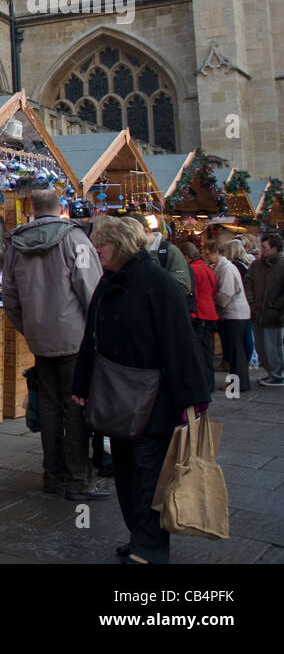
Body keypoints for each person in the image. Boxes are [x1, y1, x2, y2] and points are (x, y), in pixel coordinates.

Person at [72, 216, 210, 564]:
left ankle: (149, 548)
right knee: (126, 472)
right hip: (117, 397)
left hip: (155, 399)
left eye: (101, 244)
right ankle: (138, 537)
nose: (96, 249)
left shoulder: (159, 284)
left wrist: (192, 398)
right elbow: (91, 337)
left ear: (120, 244)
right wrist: (81, 383)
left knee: (150, 473)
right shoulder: (108, 282)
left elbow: (179, 343)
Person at [2, 189, 107, 500]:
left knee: (47, 406)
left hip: (39, 337)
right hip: (75, 338)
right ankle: (78, 481)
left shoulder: (15, 243)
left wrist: (28, 328)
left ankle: (53, 475)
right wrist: (96, 331)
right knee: (76, 406)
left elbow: (9, 295)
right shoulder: (74, 238)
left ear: (31, 208)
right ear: (62, 207)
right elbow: (91, 288)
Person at [207, 240, 251, 393]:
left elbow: (226, 293)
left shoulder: (226, 268)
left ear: (217, 253)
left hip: (234, 314)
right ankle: (239, 384)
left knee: (236, 349)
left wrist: (214, 303)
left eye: (209, 254)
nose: (208, 258)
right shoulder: (223, 268)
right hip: (233, 313)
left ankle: (236, 385)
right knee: (236, 350)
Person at [125, 213, 193, 308]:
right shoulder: (127, 252)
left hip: (163, 313)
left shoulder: (168, 250)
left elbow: (183, 287)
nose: (128, 240)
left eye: (132, 235)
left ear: (146, 231)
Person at [180, 241, 219, 394]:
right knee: (207, 351)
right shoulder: (207, 269)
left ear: (186, 256)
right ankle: (209, 383)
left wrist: (191, 313)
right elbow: (213, 287)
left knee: (200, 351)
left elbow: (192, 294)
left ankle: (203, 384)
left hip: (200, 313)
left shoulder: (193, 269)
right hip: (210, 312)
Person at [245, 233, 284, 386]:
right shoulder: (256, 265)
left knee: (273, 346)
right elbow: (248, 283)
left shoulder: (281, 265)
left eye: (265, 247)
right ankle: (271, 373)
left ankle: (277, 374)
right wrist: (252, 302)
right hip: (258, 312)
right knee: (261, 346)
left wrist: (277, 306)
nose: (261, 250)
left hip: (274, 314)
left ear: (274, 248)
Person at [224, 238, 257, 367]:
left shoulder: (234, 265)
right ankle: (251, 360)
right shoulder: (247, 263)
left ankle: (247, 361)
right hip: (247, 302)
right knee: (248, 334)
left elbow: (229, 289)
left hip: (238, 304)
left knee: (242, 338)